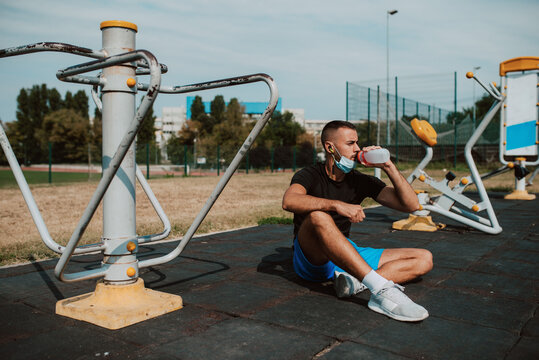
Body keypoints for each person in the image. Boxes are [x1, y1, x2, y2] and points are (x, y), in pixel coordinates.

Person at [282, 120, 433, 322]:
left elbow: (411, 205)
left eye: (357, 143)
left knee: (424, 258)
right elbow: (289, 201)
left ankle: (355, 281)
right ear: (330, 147)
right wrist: (336, 205)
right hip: (313, 257)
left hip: (345, 251)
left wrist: (388, 165)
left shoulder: (359, 180)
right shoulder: (310, 174)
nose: (357, 149)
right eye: (351, 143)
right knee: (319, 216)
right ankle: (381, 290)